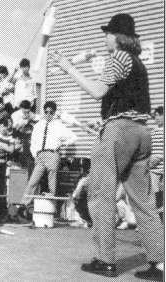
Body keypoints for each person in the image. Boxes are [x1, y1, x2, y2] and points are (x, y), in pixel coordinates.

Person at [51, 13, 164, 280]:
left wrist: (69, 68)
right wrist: (102, 121)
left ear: (116, 36)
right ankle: (160, 264)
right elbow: (124, 103)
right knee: (144, 201)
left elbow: (98, 91)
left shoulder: (119, 57)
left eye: (107, 33)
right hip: (140, 133)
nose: (104, 38)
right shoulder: (138, 63)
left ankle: (106, 260)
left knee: (101, 195)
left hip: (119, 133)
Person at [20, 101, 77, 203]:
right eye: (46, 112)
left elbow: (74, 137)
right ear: (44, 112)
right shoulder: (38, 125)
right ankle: (23, 205)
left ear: (54, 113)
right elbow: (33, 143)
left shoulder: (59, 125)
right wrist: (35, 155)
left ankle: (51, 207)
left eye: (51, 112)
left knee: (52, 182)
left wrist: (63, 144)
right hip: (40, 156)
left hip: (52, 155)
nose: (48, 114)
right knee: (33, 181)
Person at [149, 106, 164, 221]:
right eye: (156, 116)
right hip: (153, 169)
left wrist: (159, 157)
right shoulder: (152, 132)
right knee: (154, 194)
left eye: (160, 115)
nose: (157, 118)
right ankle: (156, 220)